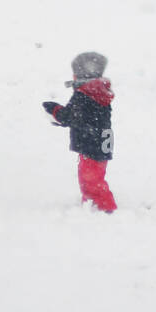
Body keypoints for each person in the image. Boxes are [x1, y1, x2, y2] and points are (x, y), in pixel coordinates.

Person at [43, 51, 116, 213]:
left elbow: (69, 117)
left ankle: (105, 208)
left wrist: (53, 110)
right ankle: (91, 203)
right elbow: (83, 117)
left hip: (90, 142)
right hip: (102, 141)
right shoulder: (100, 91)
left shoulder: (84, 95)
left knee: (90, 179)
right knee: (93, 176)